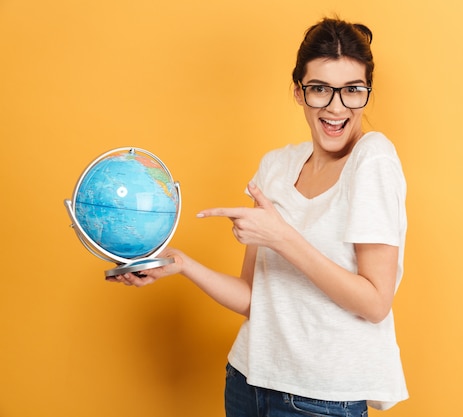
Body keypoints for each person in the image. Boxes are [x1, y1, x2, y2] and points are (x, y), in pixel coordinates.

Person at [115, 17, 408, 416]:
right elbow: (255, 299)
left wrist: (282, 237)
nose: (336, 107)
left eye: (352, 91)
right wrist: (182, 264)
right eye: (320, 89)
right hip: (247, 380)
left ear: (366, 93)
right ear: (299, 93)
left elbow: (375, 303)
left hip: (321, 398)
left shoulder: (372, 158)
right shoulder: (275, 167)